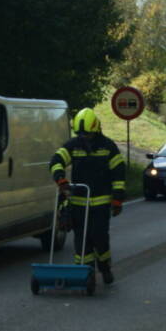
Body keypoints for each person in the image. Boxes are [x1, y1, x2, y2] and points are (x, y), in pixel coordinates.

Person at [50, 108, 125, 285]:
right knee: (81, 239)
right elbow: (56, 161)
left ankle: (104, 266)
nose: (84, 138)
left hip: (100, 204)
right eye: (81, 134)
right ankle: (84, 272)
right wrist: (60, 179)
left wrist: (117, 198)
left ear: (96, 130)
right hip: (78, 204)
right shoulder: (73, 145)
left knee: (99, 237)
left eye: (87, 135)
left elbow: (119, 173)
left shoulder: (108, 147)